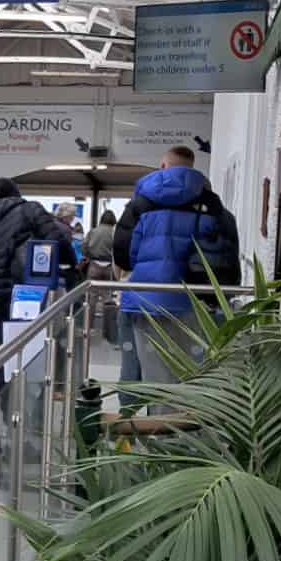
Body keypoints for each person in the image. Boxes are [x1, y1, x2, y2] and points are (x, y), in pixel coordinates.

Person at [112, 146, 239, 398]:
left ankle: (140, 432)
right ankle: (180, 434)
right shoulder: (214, 208)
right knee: (189, 380)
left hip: (145, 302)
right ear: (193, 169)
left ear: (162, 167)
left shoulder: (139, 205)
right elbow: (229, 263)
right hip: (196, 305)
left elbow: (123, 255)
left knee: (145, 378)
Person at [0, 177, 70, 347]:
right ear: (16, 194)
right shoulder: (30, 209)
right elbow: (58, 242)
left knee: (3, 357)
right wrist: (72, 265)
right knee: (33, 354)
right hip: (28, 296)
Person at [84, 209, 118, 282]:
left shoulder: (93, 231)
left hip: (94, 265)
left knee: (92, 290)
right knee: (108, 291)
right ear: (113, 220)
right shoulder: (115, 233)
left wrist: (88, 256)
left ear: (101, 219)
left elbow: (84, 248)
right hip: (110, 267)